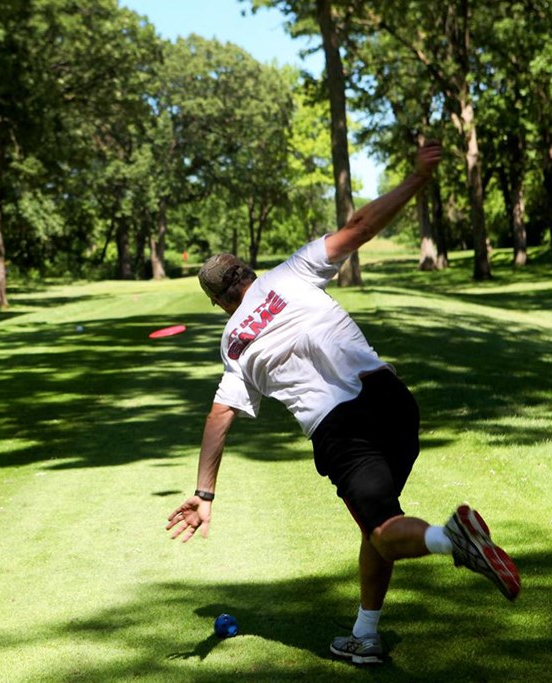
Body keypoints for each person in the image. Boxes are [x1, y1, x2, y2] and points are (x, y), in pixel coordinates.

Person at [165, 142, 520, 666]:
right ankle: (366, 634)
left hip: (341, 428)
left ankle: (453, 538)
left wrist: (204, 492)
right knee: (375, 526)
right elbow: (360, 226)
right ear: (248, 272)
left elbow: (222, 413)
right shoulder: (292, 271)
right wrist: (417, 178)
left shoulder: (233, 340)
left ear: (220, 303)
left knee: (382, 528)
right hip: (393, 401)